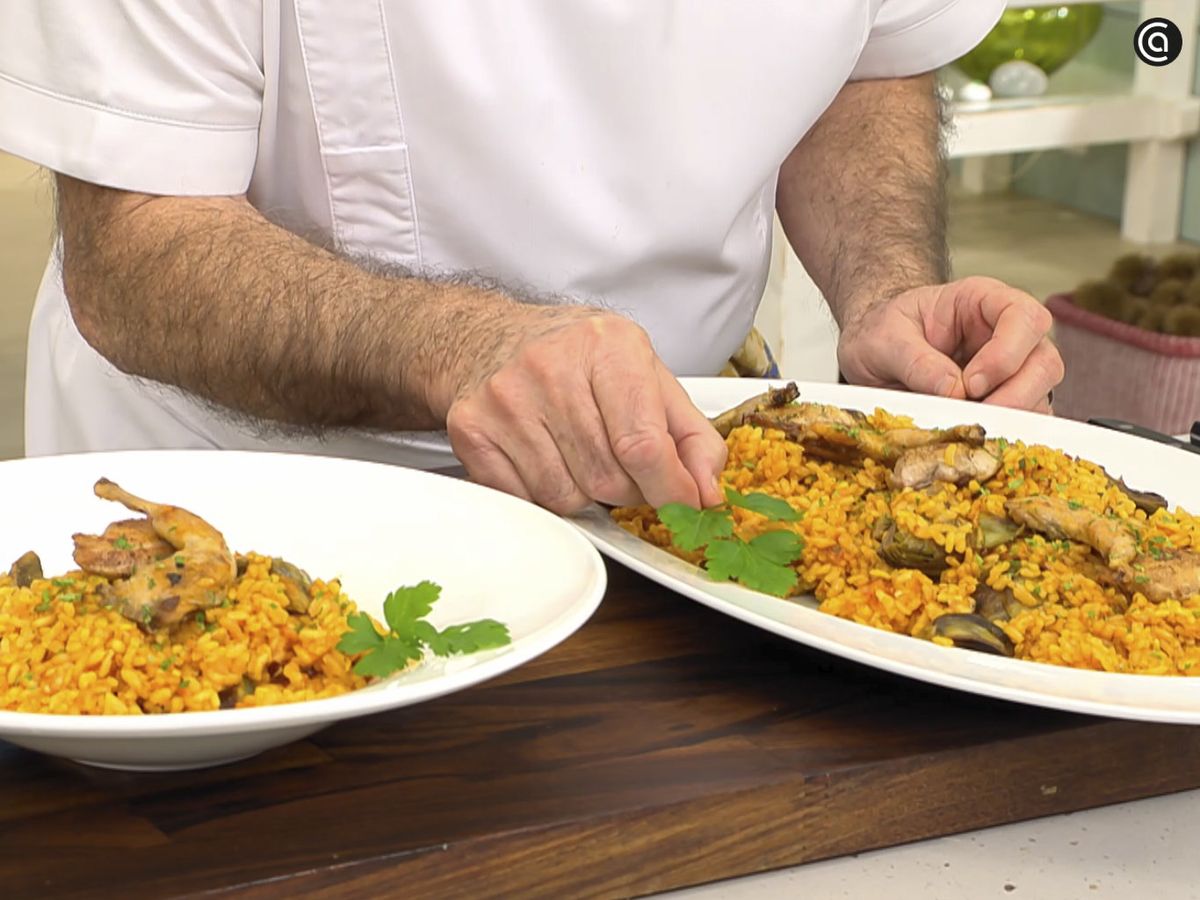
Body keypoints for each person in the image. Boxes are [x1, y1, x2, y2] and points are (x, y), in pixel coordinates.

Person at [0, 1, 1062, 515]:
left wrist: (883, 286)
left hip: (688, 490)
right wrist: (454, 345)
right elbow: (138, 252)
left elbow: (870, 56)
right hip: (256, 497)